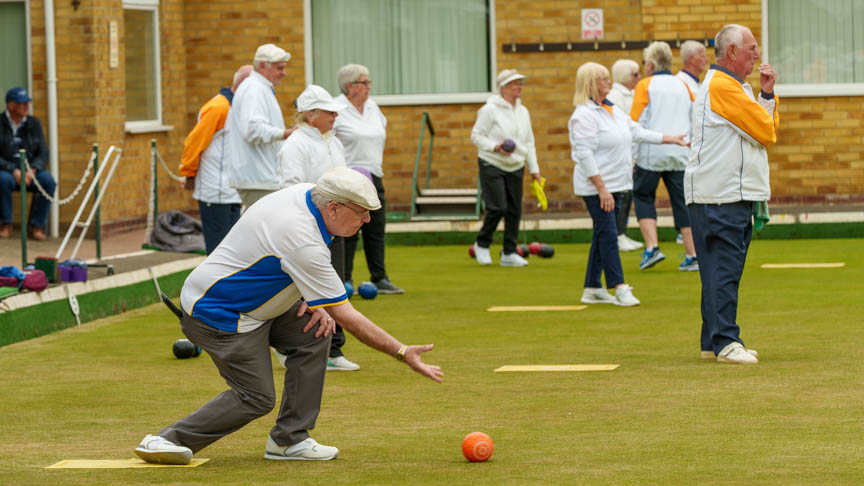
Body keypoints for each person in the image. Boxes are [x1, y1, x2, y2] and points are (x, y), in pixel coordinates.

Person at [133, 167, 443, 465]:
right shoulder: (302, 238)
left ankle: (288, 440)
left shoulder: (309, 196)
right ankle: (168, 440)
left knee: (316, 330)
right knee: (256, 397)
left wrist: (318, 304)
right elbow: (348, 315)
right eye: (361, 211)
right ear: (333, 208)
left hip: (256, 303)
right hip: (218, 312)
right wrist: (402, 352)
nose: (367, 218)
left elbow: (284, 265)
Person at [686, 24, 778, 364]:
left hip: (719, 193)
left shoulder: (729, 85)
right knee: (724, 269)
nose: (757, 54)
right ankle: (725, 340)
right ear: (733, 52)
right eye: (751, 48)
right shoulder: (724, 86)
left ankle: (712, 340)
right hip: (721, 195)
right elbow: (764, 132)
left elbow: (758, 129)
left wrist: (765, 97)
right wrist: (767, 100)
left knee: (716, 271)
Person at [569, 62, 687, 307]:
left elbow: (637, 131)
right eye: (603, 79)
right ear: (591, 84)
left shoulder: (611, 109)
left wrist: (669, 138)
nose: (608, 82)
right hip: (597, 188)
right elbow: (585, 155)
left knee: (603, 234)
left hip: (616, 184)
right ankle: (619, 286)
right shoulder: (583, 116)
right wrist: (601, 189)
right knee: (609, 235)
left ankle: (592, 287)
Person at [277, 84, 357, 372]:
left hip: (337, 226)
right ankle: (294, 347)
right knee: (305, 291)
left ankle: (333, 351)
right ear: (311, 115)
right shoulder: (296, 145)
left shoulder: (334, 141)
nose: (335, 116)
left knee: (338, 285)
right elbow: (292, 188)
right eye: (329, 112)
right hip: (309, 231)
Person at [332, 64, 403, 294]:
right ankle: (345, 279)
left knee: (376, 229)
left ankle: (380, 277)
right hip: (349, 178)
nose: (369, 87)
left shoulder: (373, 107)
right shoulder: (336, 108)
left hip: (374, 174)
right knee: (348, 231)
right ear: (350, 86)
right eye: (364, 82)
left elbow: (381, 128)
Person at [630, 41, 698, 272]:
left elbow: (634, 121)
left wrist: (631, 155)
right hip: (680, 151)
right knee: (682, 202)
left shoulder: (645, 85)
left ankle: (652, 247)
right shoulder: (683, 85)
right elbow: (693, 119)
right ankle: (692, 253)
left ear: (650, 64)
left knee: (642, 195)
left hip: (652, 151)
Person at [469, 69, 542, 267]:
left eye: (520, 83)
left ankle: (509, 252)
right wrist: (496, 146)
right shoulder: (489, 110)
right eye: (514, 84)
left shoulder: (523, 111)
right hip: (491, 163)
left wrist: (534, 169)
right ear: (503, 88)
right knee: (497, 207)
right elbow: (476, 136)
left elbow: (529, 142)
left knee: (514, 209)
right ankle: (482, 245)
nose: (519, 87)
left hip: (516, 164)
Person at [179, 65, 253, 254]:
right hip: (216, 191)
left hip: (233, 191)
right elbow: (194, 143)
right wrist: (188, 173)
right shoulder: (218, 108)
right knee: (218, 251)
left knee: (233, 249)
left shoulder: (237, 107)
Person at [227, 44, 295, 209]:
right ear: (264, 65)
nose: (284, 73)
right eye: (280, 68)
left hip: (260, 178)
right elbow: (252, 130)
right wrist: (287, 133)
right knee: (267, 231)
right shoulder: (254, 89)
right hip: (258, 178)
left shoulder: (259, 88)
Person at [0, 87, 56, 241]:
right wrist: (13, 170)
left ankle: (36, 226)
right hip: (6, 170)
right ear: (10, 105)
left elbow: (44, 151)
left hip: (31, 171)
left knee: (48, 182)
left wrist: (33, 170)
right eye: (21, 103)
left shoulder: (34, 123)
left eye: (27, 103)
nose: (26, 106)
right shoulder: (0, 123)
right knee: (2, 180)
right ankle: (6, 224)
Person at [606, 60, 643, 253]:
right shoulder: (615, 96)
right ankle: (616, 235)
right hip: (619, 155)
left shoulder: (633, 94)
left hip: (631, 152)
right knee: (620, 194)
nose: (639, 78)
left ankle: (621, 234)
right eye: (635, 75)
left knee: (628, 194)